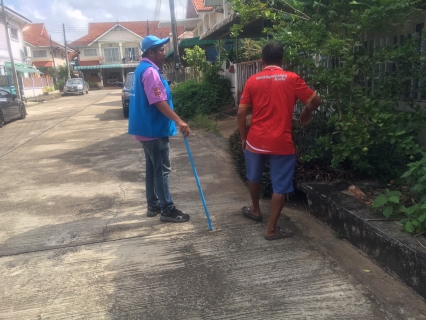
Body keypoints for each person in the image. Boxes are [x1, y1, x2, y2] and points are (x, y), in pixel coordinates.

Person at [237, 42, 321, 240]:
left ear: (262, 61)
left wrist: (243, 138)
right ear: (282, 60)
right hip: (281, 142)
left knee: (254, 177)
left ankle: (255, 209)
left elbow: (241, 113)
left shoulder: (252, 80)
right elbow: (315, 101)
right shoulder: (292, 78)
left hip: (255, 141)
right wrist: (307, 111)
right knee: (280, 187)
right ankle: (272, 229)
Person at [128, 35, 190, 223]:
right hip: (154, 130)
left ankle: (152, 205)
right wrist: (179, 121)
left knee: (152, 169)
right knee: (162, 170)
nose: (164, 53)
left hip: (144, 130)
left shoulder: (141, 69)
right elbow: (159, 102)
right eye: (161, 50)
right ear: (151, 52)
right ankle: (167, 209)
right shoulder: (151, 72)